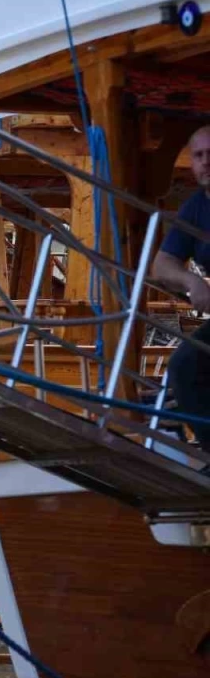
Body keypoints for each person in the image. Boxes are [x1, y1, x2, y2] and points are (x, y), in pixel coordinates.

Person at [154, 126, 210, 461]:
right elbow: (161, 265)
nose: (206, 162)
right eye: (199, 155)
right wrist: (192, 281)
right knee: (185, 365)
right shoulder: (194, 208)